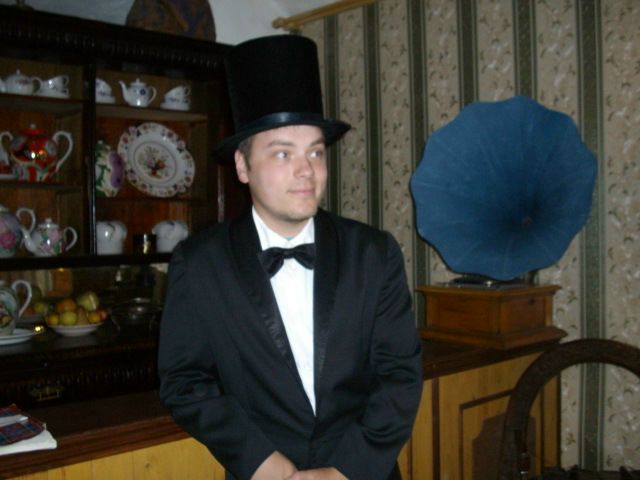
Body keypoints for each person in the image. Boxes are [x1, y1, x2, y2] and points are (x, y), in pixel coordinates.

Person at [158, 35, 423, 480]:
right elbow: (184, 381)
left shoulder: (374, 253)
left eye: (315, 151)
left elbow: (400, 374)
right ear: (242, 166)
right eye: (282, 153)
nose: (306, 170)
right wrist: (262, 462)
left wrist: (345, 470)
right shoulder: (200, 263)